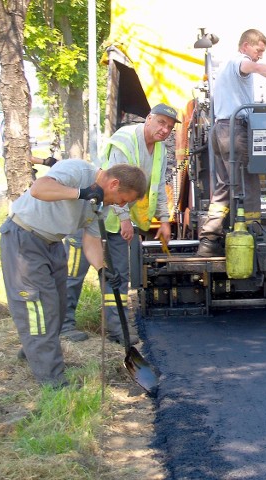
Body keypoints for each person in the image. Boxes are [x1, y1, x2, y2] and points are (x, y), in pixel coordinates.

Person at [0, 161, 147, 388]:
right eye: (124, 199)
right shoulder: (78, 171)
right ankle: (53, 382)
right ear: (114, 184)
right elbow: (39, 189)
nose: (121, 205)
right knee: (39, 310)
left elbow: (91, 240)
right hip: (24, 239)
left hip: (53, 244)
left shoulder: (101, 205)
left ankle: (35, 353)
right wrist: (81, 193)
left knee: (57, 307)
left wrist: (101, 269)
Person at [197, 28, 266, 256]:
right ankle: (252, 238)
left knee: (224, 187)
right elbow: (254, 67)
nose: (260, 55)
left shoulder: (225, 67)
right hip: (235, 131)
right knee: (250, 183)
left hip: (220, 130)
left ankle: (208, 241)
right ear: (246, 45)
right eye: (259, 50)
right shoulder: (241, 62)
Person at [99, 103, 178, 344]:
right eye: (161, 123)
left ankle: (117, 327)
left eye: (170, 127)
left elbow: (158, 187)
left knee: (118, 275)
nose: (165, 130)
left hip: (122, 218)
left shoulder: (161, 150)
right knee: (77, 273)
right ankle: (68, 327)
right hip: (100, 214)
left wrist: (164, 220)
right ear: (149, 118)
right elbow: (115, 184)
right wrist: (124, 218)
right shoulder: (124, 140)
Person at [31, 155, 91, 342]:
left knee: (63, 279)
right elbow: (40, 188)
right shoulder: (78, 171)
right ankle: (64, 326)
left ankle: (52, 332)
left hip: (81, 228)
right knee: (71, 276)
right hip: (64, 232)